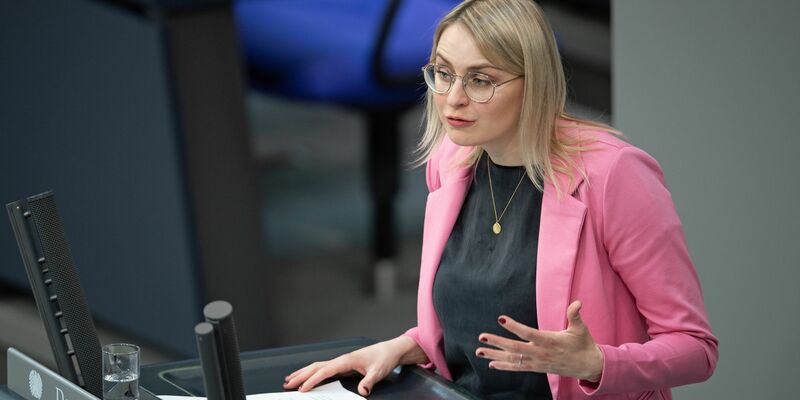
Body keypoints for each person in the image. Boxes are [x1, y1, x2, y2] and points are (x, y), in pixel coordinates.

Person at [283, 0, 718, 398]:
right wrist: (405, 346)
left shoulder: (614, 175)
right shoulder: (451, 161)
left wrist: (596, 363)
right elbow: (473, 317)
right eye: (443, 72)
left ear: (535, 84)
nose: (452, 99)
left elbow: (696, 349)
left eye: (480, 81)